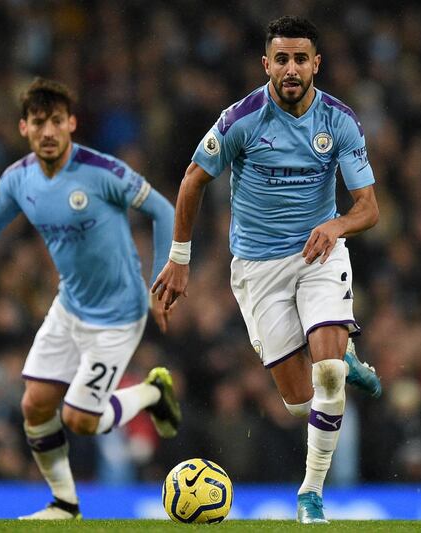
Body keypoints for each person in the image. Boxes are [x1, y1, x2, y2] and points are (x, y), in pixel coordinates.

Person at [152, 16, 381, 524]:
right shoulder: (241, 119)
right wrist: (180, 260)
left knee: (325, 374)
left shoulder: (340, 121)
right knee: (302, 403)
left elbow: (368, 207)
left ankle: (311, 495)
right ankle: (348, 359)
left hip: (319, 254)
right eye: (282, 59)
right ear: (267, 65)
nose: (292, 68)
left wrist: (337, 226)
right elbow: (192, 180)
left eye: (301, 58)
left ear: (316, 64)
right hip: (256, 268)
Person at [0, 77, 181, 520]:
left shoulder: (102, 171)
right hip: (69, 306)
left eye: (57, 121)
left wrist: (162, 283)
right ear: (24, 127)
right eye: (39, 122)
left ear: (72, 124)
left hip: (119, 314)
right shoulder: (17, 179)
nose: (48, 131)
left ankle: (150, 393)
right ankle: (64, 504)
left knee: (81, 420)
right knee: (34, 405)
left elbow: (163, 210)